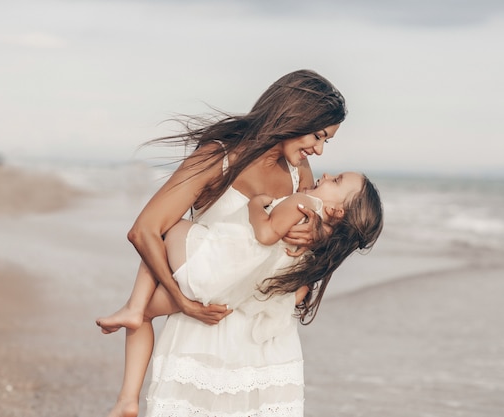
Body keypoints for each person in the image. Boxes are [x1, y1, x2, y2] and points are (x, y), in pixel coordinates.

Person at [102, 69, 349, 417]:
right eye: (319, 135)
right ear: (295, 116)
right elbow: (144, 231)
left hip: (265, 340)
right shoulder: (217, 157)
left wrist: (313, 244)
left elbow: (304, 257)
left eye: (328, 142)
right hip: (206, 330)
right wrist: (181, 301)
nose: (320, 150)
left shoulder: (300, 173)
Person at [98, 170, 383, 415]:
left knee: (164, 230)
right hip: (230, 296)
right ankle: (131, 367)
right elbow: (294, 296)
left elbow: (265, 233)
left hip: (209, 273)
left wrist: (256, 205)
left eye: (336, 180)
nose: (325, 175)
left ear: (338, 211)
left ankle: (129, 386)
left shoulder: (303, 203)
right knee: (149, 311)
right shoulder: (320, 247)